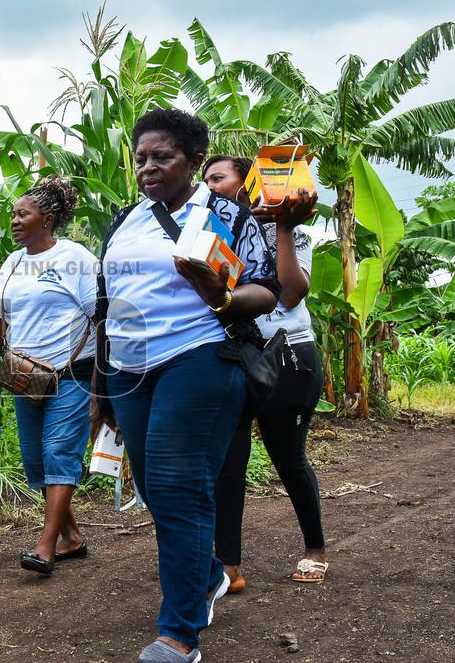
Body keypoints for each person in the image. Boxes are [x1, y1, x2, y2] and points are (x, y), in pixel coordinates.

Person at [91, 109, 279, 663]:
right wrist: (103, 390)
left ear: (195, 160)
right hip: (130, 370)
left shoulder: (223, 212)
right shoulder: (127, 218)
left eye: (163, 157)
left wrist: (220, 295)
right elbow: (107, 308)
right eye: (142, 157)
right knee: (153, 489)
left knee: (177, 487)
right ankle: (210, 574)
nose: (148, 168)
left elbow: (267, 291)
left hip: (197, 357)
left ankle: (179, 633)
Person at [203, 155, 328, 592]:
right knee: (229, 463)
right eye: (204, 179)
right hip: (235, 356)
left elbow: (290, 294)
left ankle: (315, 548)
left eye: (217, 178)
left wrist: (282, 227)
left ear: (247, 183)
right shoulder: (213, 235)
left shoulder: (291, 231)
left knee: (287, 457)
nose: (209, 186)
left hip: (287, 356)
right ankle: (229, 568)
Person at [0, 176, 97, 575]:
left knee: (59, 454)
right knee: (35, 460)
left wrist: (104, 386)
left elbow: (101, 319)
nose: (14, 220)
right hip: (25, 378)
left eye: (23, 213)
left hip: (72, 374)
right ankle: (72, 538)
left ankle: (46, 547)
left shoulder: (77, 259)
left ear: (48, 218)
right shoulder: (13, 261)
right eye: (14, 214)